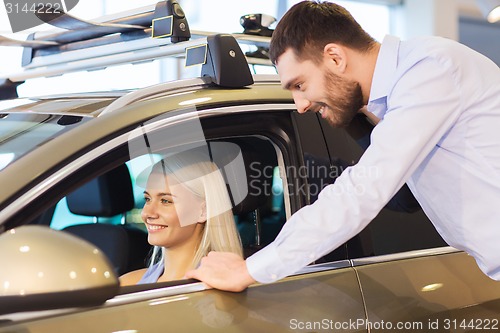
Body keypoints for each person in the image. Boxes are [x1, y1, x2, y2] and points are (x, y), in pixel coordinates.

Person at [185, 0, 500, 291]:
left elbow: (360, 191)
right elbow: (404, 197)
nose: (300, 105)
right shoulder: (398, 97)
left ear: (335, 57)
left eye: (299, 85)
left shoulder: (428, 70)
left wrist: (248, 271)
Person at [120, 150, 243, 285]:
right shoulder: (126, 284)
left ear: (203, 211)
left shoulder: (216, 288)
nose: (147, 213)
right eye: (147, 199)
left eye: (165, 201)